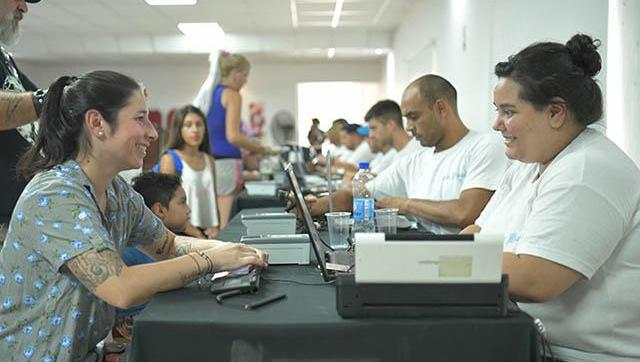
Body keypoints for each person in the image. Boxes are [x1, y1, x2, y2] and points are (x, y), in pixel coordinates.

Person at [0, 70, 267, 362]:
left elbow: (169, 246)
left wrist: (238, 251)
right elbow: (120, 287)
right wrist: (211, 260)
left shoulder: (117, 191)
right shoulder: (54, 196)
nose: (152, 132)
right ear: (97, 123)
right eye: (140, 118)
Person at [465, 34, 640, 362]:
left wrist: (439, 262)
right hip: (526, 341)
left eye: (508, 111)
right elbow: (476, 232)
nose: (496, 124)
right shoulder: (527, 164)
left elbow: (536, 278)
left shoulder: (588, 171)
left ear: (556, 112)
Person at [307, 75, 507, 233]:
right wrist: (317, 205)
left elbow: (466, 213)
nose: (409, 127)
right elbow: (363, 193)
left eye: (414, 117)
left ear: (440, 108)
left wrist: (406, 204)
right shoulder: (414, 161)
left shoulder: (485, 146)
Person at [206, 51, 275, 228]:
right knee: (225, 223)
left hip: (213, 162)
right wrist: (262, 149)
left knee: (217, 219)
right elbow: (233, 135)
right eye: (245, 76)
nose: (245, 81)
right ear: (236, 74)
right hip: (228, 163)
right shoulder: (233, 95)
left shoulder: (213, 93)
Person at [0, 0, 46, 243]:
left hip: (18, 211)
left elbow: (45, 104)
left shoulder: (3, 57)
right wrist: (51, 98)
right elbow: (43, 101)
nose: (24, 7)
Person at [160, 104, 219, 239]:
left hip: (207, 233)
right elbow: (166, 206)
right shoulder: (170, 159)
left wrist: (216, 228)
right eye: (188, 125)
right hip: (182, 233)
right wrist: (196, 234)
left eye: (199, 124)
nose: (195, 130)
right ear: (179, 129)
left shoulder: (210, 160)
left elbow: (213, 199)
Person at [365, 99, 423, 175]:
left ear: (390, 125)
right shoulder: (395, 157)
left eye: (373, 128)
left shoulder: (419, 151)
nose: (371, 135)